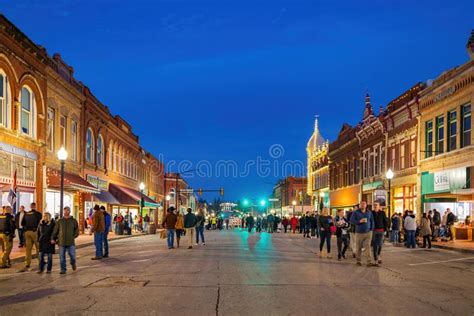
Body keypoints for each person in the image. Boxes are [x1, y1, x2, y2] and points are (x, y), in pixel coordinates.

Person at [52, 207, 79, 274]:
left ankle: (73, 263)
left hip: (70, 242)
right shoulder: (60, 221)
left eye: (67, 211)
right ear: (63, 212)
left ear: (69, 211)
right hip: (61, 242)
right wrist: (53, 238)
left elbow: (77, 230)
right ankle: (63, 269)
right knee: (62, 257)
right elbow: (55, 230)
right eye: (65, 211)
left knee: (72, 256)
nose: (66, 212)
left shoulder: (73, 220)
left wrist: (73, 236)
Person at [349, 201, 374, 267]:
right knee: (358, 247)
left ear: (366, 205)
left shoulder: (369, 212)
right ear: (360, 205)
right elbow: (351, 221)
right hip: (359, 233)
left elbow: (372, 221)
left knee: (368, 247)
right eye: (361, 204)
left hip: (368, 232)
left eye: (364, 204)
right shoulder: (356, 212)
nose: (362, 205)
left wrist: (371, 229)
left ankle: (369, 262)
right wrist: (359, 221)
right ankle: (358, 261)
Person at [20, 202, 42, 272]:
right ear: (35, 206)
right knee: (38, 247)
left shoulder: (26, 214)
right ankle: (40, 261)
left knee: (28, 249)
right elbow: (39, 221)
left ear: (30, 207)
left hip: (27, 232)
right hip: (34, 232)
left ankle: (27, 263)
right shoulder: (38, 214)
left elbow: (22, 223)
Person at [371, 201, 388, 266]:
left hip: (381, 231)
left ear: (379, 206)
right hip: (374, 231)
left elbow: (385, 221)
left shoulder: (382, 213)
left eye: (376, 205)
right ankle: (376, 260)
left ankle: (378, 255)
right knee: (375, 246)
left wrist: (386, 230)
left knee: (380, 245)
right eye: (374, 205)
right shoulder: (371, 213)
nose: (375, 206)